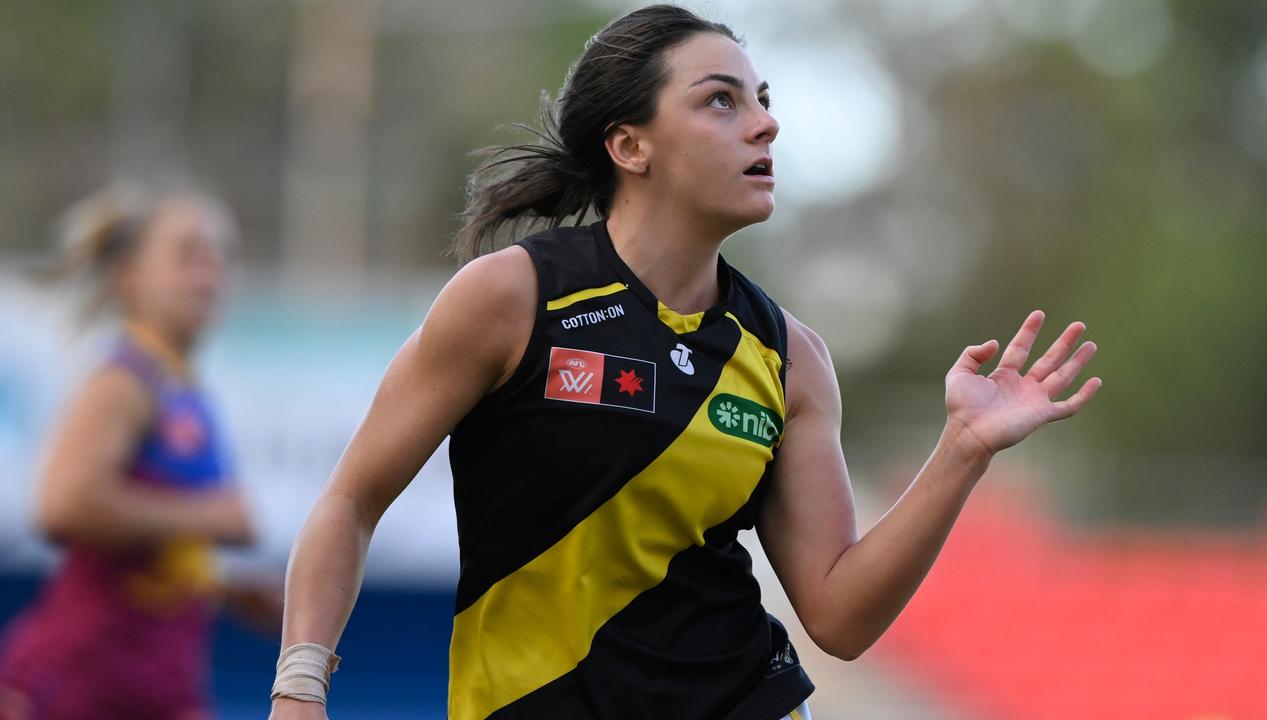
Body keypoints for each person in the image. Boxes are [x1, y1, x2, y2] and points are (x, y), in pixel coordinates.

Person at [268, 5, 1101, 719]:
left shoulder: (789, 357)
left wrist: (960, 450)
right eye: (720, 101)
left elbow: (840, 618)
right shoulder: (510, 300)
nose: (765, 122)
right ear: (631, 146)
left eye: (763, 101)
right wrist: (299, 686)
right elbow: (350, 500)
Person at [0, 183, 266, 720]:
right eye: (188, 254)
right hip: (84, 683)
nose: (210, 272)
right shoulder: (124, 380)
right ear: (128, 277)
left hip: (157, 678)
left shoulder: (181, 387)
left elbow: (145, 549)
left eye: (220, 256)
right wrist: (210, 515)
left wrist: (222, 588)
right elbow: (63, 505)